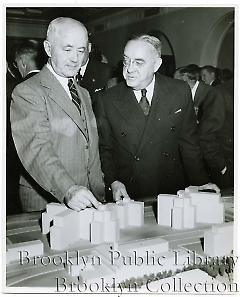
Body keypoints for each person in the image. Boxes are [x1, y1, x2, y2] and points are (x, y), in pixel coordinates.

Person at [95, 34, 219, 202]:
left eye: (138, 62)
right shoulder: (107, 99)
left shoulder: (179, 91)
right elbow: (105, 149)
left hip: (171, 190)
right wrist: (113, 181)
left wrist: (201, 182)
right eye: (126, 61)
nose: (129, 69)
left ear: (156, 64)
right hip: (128, 191)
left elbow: (189, 144)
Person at [10, 17, 104, 212]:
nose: (75, 58)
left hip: (88, 197)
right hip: (49, 200)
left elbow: (90, 147)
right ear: (48, 48)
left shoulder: (84, 93)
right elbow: (37, 148)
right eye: (67, 49)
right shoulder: (28, 91)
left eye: (81, 50)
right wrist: (68, 189)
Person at [179, 66, 230, 188]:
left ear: (186, 79)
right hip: (199, 153)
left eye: (176, 80)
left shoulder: (211, 92)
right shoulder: (184, 94)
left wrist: (221, 164)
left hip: (216, 156)